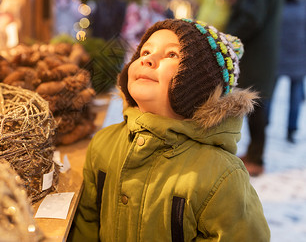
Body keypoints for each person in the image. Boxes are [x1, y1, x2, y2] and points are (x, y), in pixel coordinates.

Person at [68, 18, 270, 241]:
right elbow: (86, 222)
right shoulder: (104, 144)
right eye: (144, 52)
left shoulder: (222, 175)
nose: (148, 60)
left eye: (172, 54)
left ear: (199, 83)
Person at [225, 0, 284, 176]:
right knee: (257, 107)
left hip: (255, 56)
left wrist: (227, 37)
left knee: (256, 108)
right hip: (263, 55)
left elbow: (251, 17)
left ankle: (257, 160)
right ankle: (253, 153)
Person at [276, 0, 306, 142]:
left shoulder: (304, 0)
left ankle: (291, 129)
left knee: (296, 96)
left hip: (299, 54)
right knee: (269, 95)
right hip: (278, 53)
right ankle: (264, 124)